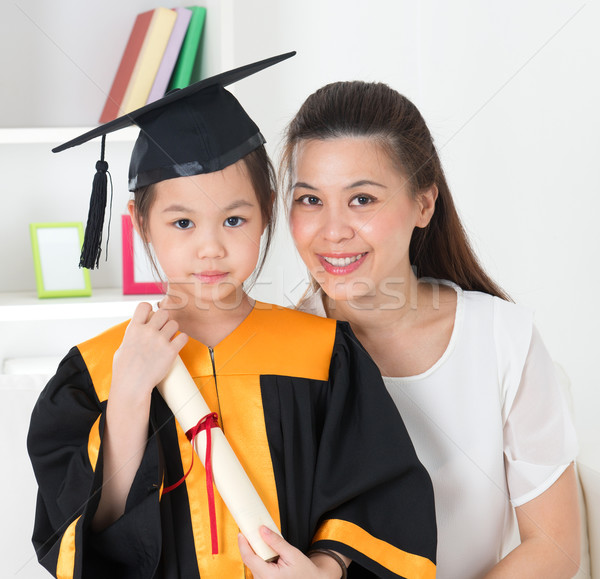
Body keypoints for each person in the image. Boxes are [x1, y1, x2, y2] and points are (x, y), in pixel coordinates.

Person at [27, 56, 438, 579]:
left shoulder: (322, 351)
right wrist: (129, 398)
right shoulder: (96, 372)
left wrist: (325, 568)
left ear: (268, 210)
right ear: (140, 223)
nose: (210, 248)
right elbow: (86, 538)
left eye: (234, 219)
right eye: (182, 222)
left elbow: (380, 493)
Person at [281, 80, 581, 579]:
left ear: (424, 205)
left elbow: (555, 546)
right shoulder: (278, 349)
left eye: (361, 199)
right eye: (310, 199)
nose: (332, 230)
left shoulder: (501, 338)